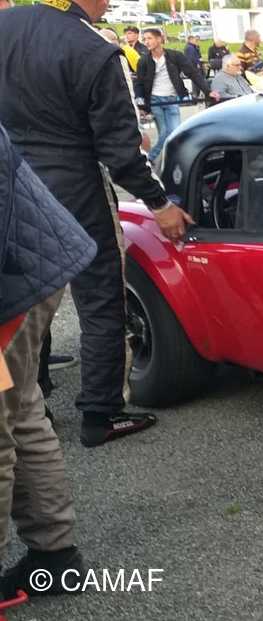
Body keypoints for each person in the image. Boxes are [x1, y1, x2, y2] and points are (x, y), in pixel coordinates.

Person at [0, 0, 191, 455]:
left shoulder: (7, 24)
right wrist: (159, 202)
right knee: (101, 295)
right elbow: (121, 152)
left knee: (30, 292)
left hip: (14, 180)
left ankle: (34, 400)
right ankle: (101, 412)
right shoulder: (93, 48)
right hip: (75, 185)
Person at [0, 122, 96, 599]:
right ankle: (55, 559)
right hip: (28, 262)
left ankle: (54, 556)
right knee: (20, 408)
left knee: (9, 418)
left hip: (16, 275)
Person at [137, 28, 214, 162]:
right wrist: (140, 101)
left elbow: (192, 73)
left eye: (149, 38)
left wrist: (208, 90)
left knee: (175, 133)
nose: (146, 42)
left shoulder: (175, 56)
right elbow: (139, 82)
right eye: (144, 39)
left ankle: (165, 160)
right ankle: (150, 160)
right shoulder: (144, 60)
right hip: (155, 101)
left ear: (159, 39)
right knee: (165, 134)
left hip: (172, 99)